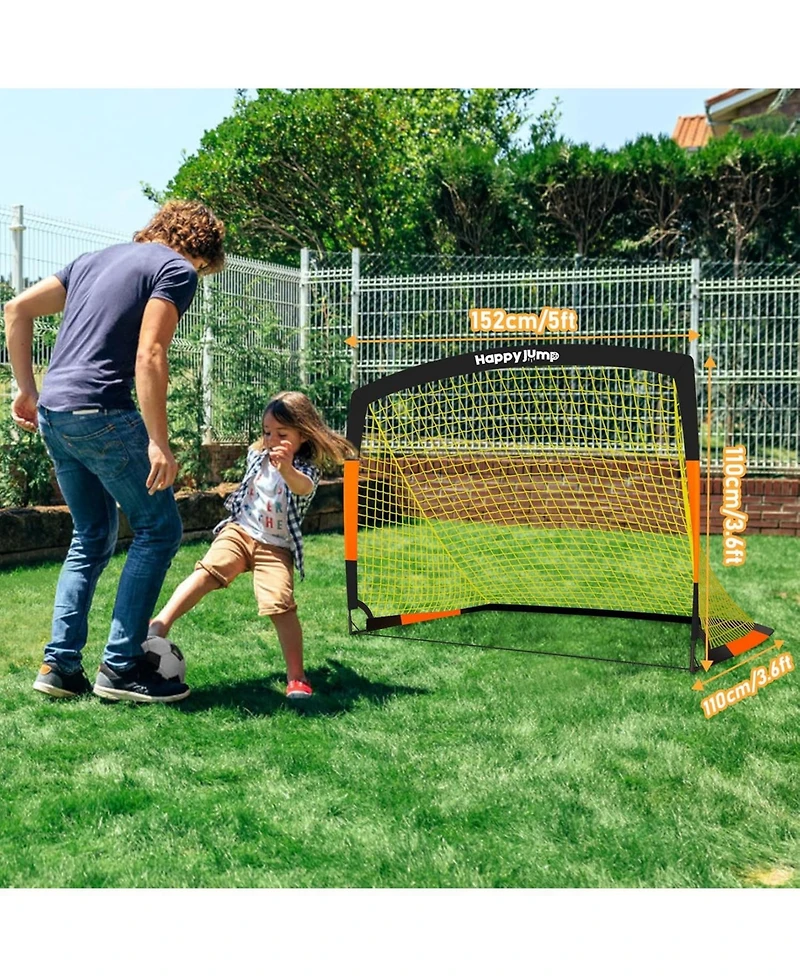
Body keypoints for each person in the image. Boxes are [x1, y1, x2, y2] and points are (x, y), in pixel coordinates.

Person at [3, 200, 226, 703]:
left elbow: (15, 309)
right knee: (159, 528)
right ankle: (122, 667)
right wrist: (158, 441)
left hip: (57, 416)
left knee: (93, 534)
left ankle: (60, 666)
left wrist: (25, 390)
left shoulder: (93, 260)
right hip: (103, 412)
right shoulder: (175, 269)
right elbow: (150, 353)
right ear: (202, 252)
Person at [148, 392, 355, 699]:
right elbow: (258, 454)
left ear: (304, 435)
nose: (272, 440)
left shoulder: (306, 469)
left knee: (280, 603)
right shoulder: (257, 454)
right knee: (207, 572)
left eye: (282, 434)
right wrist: (269, 442)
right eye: (267, 432)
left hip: (276, 548)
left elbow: (303, 488)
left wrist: (286, 467)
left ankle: (297, 677)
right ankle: (158, 625)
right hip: (240, 533)